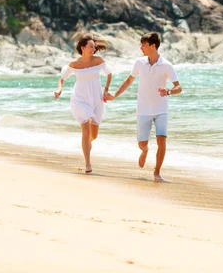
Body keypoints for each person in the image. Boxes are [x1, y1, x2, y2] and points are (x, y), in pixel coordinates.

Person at [106, 32, 181, 182]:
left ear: (153, 46)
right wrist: (115, 95)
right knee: (142, 143)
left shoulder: (166, 65)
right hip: (143, 109)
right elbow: (128, 81)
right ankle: (145, 151)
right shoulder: (139, 63)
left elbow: (178, 87)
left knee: (162, 140)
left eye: (144, 45)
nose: (141, 48)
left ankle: (157, 172)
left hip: (161, 109)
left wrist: (168, 91)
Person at [54, 34, 112, 174]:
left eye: (94, 46)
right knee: (85, 131)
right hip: (80, 99)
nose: (93, 49)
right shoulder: (75, 64)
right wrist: (59, 89)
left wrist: (106, 90)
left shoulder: (98, 61)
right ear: (83, 48)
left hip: (97, 100)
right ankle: (88, 164)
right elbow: (62, 79)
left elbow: (109, 74)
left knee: (94, 135)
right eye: (91, 46)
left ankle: (87, 143)